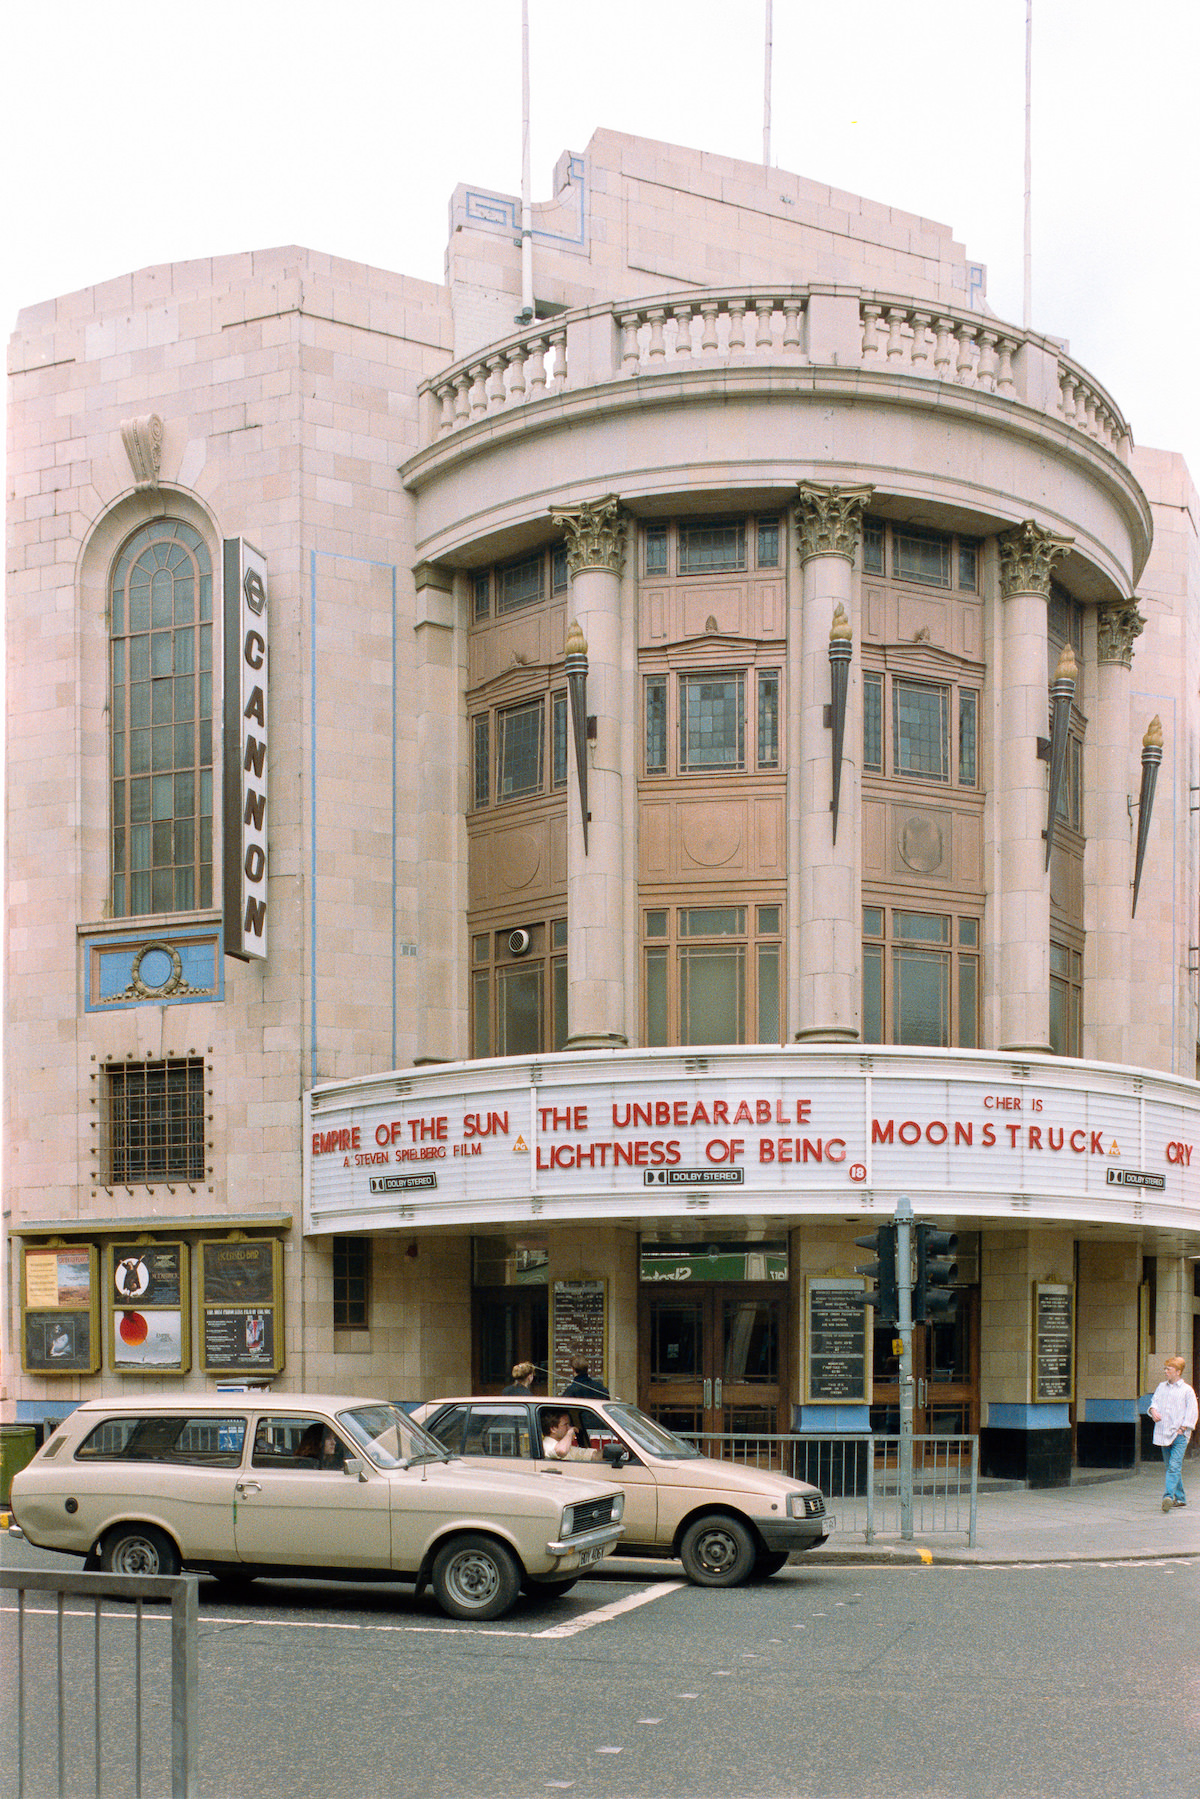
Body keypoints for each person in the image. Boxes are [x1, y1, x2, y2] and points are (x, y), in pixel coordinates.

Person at [1148, 1355, 1197, 1512]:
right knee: (1171, 1467)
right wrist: (1153, 1411)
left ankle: (1167, 1497)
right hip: (1163, 1433)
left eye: (1168, 1369)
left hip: (1179, 1436)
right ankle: (1181, 1498)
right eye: (1165, 1369)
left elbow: (1192, 1412)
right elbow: (1154, 1403)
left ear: (1177, 1371)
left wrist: (1183, 1429)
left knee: (1174, 1467)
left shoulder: (1187, 1390)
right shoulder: (1161, 1387)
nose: (1165, 1372)